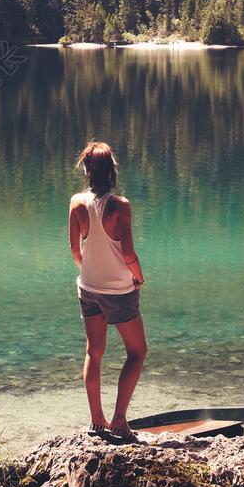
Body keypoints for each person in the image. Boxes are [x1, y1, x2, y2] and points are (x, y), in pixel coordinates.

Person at [69, 140, 148, 440]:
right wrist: (138, 278)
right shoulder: (120, 206)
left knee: (94, 351)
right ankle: (119, 420)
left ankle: (96, 420)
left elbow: (75, 251)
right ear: (111, 171)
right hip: (119, 292)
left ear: (87, 170)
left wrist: (90, 271)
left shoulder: (76, 203)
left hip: (88, 288)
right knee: (138, 352)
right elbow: (128, 253)